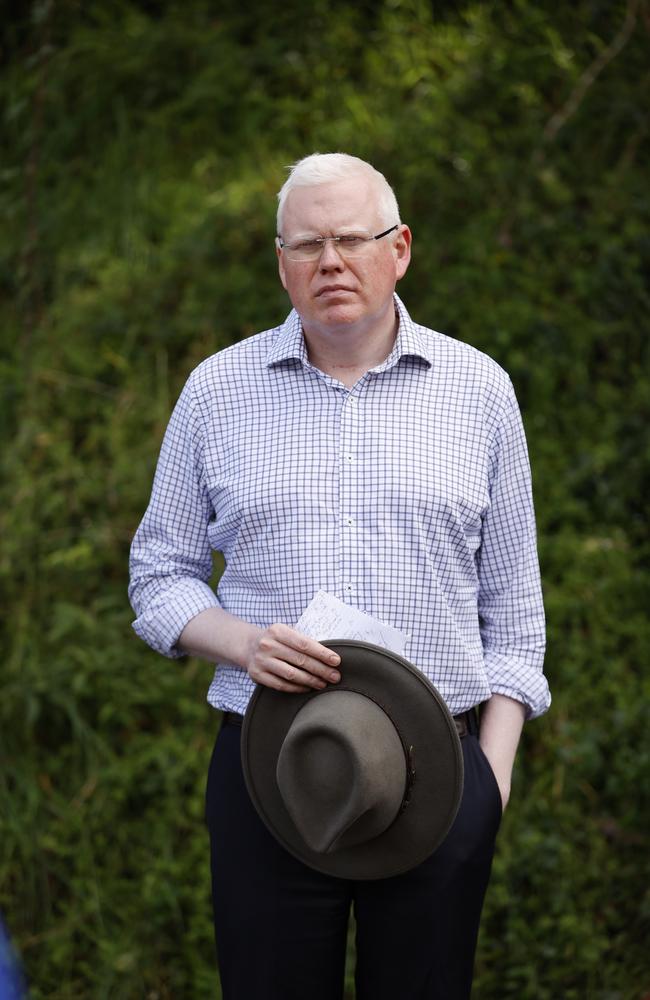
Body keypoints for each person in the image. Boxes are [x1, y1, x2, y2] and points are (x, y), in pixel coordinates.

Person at [129, 152, 551, 999]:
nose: (330, 262)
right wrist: (243, 645)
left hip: (442, 773)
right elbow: (158, 576)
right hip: (271, 769)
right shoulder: (217, 391)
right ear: (281, 264)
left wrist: (489, 789)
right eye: (306, 244)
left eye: (351, 239)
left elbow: (517, 620)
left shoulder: (479, 391)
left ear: (398, 250)